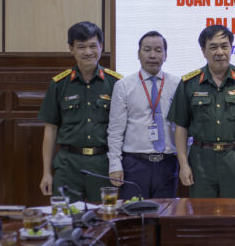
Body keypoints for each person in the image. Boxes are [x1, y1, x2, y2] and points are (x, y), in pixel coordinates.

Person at [167, 25, 235, 198]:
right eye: (213, 47)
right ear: (203, 51)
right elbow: (181, 126)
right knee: (202, 213)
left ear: (231, 48)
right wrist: (184, 165)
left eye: (224, 46)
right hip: (200, 161)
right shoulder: (189, 83)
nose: (220, 52)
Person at [38, 21, 122, 202]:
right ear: (71, 49)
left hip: (103, 164)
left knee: (105, 216)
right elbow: (50, 129)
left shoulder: (116, 83)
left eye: (93, 46)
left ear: (101, 46)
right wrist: (46, 172)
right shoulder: (59, 84)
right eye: (81, 47)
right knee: (66, 216)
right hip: (68, 165)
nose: (88, 52)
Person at [107, 31, 180, 199]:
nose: (152, 55)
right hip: (134, 164)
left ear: (166, 55)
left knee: (166, 212)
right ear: (138, 54)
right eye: (147, 50)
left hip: (168, 164)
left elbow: (183, 127)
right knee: (134, 212)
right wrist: (115, 164)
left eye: (158, 50)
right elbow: (115, 130)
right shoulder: (124, 86)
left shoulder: (177, 85)